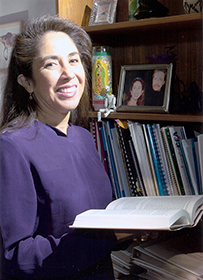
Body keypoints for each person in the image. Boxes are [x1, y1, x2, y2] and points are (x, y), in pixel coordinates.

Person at [0, 15, 121, 280]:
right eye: (51, 64)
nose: (69, 74)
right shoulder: (12, 147)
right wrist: (109, 238)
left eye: (74, 60)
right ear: (26, 82)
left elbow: (97, 220)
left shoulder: (83, 137)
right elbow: (15, 255)